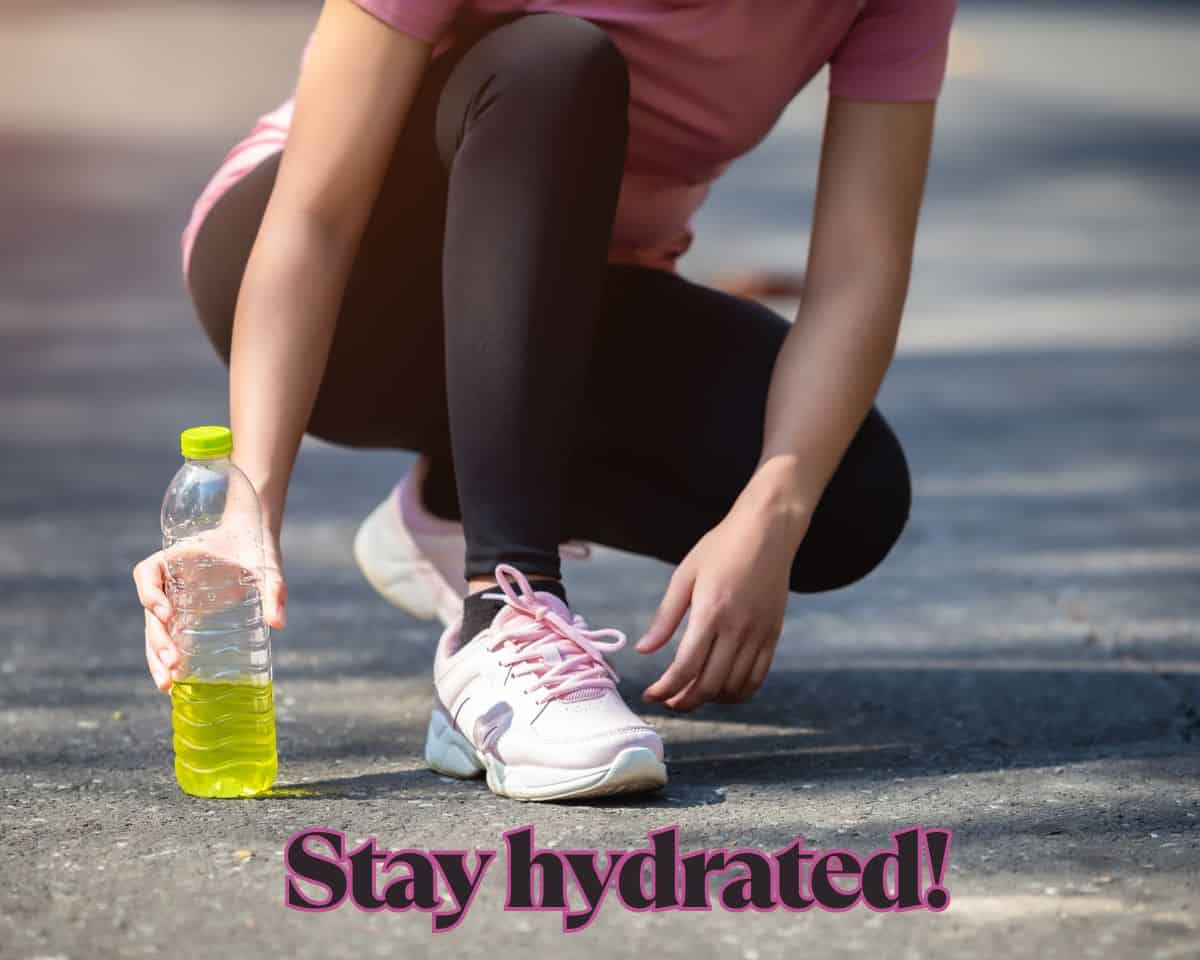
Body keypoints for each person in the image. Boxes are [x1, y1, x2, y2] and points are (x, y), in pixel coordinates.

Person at [132, 0, 956, 801]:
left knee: (843, 496)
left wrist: (773, 513)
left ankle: (452, 504)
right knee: (554, 60)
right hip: (340, 289)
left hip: (562, 305)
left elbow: (860, 270)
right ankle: (503, 607)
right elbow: (313, 218)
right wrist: (248, 508)